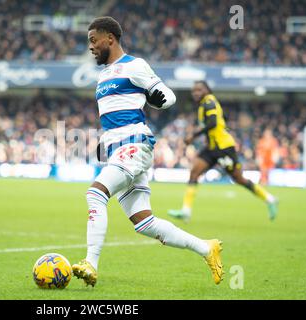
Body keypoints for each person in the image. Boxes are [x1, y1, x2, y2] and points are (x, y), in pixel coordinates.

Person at [72, 17, 224, 287]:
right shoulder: (104, 75)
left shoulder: (135, 65)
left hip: (133, 145)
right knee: (144, 222)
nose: (91, 47)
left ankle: (90, 264)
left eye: (93, 40)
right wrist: (104, 141)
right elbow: (116, 113)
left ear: (110, 38)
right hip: (118, 146)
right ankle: (206, 247)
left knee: (95, 193)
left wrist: (156, 98)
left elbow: (167, 96)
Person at [168, 81, 278, 222]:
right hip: (211, 148)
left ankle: (269, 199)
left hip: (223, 148)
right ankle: (186, 211)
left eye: (199, 90)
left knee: (239, 179)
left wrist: (193, 135)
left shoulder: (209, 102)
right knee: (194, 173)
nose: (196, 93)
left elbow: (213, 123)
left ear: (207, 90)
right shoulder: (204, 105)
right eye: (194, 90)